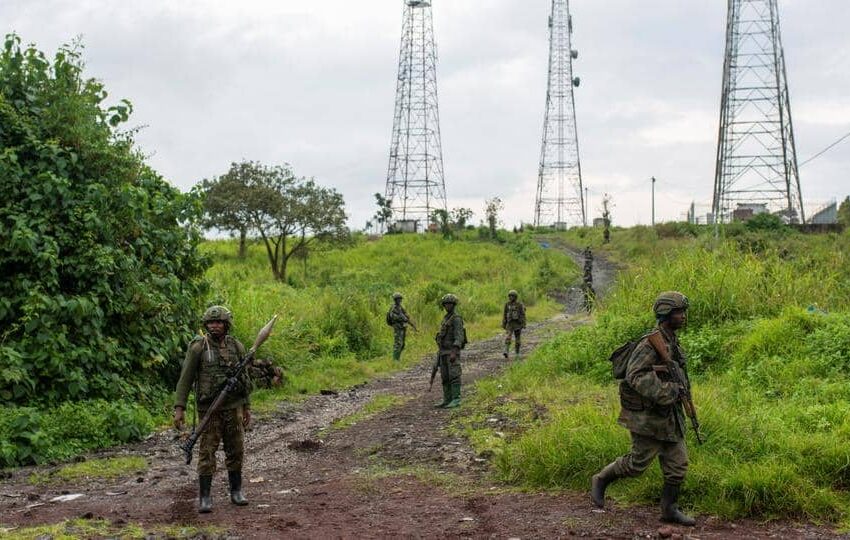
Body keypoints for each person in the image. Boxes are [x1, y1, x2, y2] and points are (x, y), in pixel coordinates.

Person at [590, 291, 696, 526]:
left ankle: (669, 510)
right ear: (667, 314)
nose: (684, 317)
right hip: (648, 418)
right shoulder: (650, 344)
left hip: (669, 417)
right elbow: (635, 376)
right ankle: (600, 480)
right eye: (679, 312)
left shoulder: (671, 342)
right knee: (636, 464)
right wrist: (669, 391)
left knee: (678, 466)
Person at [173, 305, 252, 513]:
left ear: (226, 325)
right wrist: (179, 408)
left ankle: (236, 492)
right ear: (205, 325)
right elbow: (185, 379)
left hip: (233, 407)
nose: (214, 326)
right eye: (211, 323)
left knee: (236, 450)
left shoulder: (237, 347)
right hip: (209, 410)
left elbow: (244, 379)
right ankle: (205, 497)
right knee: (207, 452)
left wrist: (246, 407)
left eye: (218, 322)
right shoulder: (199, 347)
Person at [434, 293, 465, 409]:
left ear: (454, 305)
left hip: (452, 352)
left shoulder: (456, 319)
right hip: (443, 352)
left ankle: (456, 399)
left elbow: (459, 336)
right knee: (445, 376)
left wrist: (454, 351)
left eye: (450, 304)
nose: (447, 306)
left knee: (454, 375)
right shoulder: (445, 318)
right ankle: (447, 399)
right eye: (446, 304)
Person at [386, 292, 416, 362]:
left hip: (402, 327)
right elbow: (393, 317)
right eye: (398, 299)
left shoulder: (400, 307)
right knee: (398, 344)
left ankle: (398, 359)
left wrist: (411, 324)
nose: (400, 300)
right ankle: (395, 360)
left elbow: (406, 316)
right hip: (397, 328)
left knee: (402, 344)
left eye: (400, 299)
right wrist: (402, 318)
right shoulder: (393, 308)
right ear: (395, 300)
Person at [501, 290, 526, 359]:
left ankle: (517, 353)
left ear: (515, 297)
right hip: (509, 324)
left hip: (517, 324)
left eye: (512, 296)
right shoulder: (507, 304)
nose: (510, 297)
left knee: (517, 340)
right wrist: (504, 323)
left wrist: (523, 323)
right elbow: (504, 314)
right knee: (508, 337)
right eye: (509, 296)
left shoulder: (519, 304)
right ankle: (506, 350)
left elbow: (523, 314)